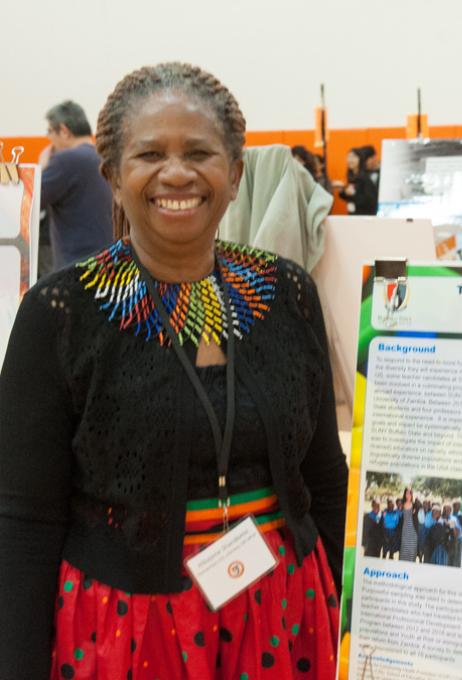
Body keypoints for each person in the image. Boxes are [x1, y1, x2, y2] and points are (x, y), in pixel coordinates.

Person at [0, 63, 348, 679]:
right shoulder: (63, 314)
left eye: (199, 152)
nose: (177, 172)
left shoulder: (286, 293)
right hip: (128, 627)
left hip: (284, 611)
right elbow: (24, 519)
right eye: (149, 154)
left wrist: (337, 603)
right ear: (113, 176)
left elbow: (323, 474)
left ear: (235, 173)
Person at [38, 100, 113, 269]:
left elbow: (31, 203)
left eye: (49, 131)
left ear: (64, 131)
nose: (48, 138)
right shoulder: (104, 156)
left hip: (74, 270)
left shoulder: (66, 160)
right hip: (107, 263)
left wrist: (41, 167)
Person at [335, 146, 378, 215]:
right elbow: (351, 196)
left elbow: (370, 201)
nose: (350, 160)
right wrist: (343, 192)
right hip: (353, 214)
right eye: (349, 157)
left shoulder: (365, 178)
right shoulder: (352, 177)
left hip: (363, 217)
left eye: (354, 157)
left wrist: (352, 194)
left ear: (360, 159)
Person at [398, 488, 420, 562]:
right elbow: (398, 515)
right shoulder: (402, 505)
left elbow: (419, 516)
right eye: (407, 493)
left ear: (412, 494)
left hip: (413, 531)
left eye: (410, 493)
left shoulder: (415, 505)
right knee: (404, 551)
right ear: (405, 494)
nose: (408, 494)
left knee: (412, 551)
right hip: (405, 531)